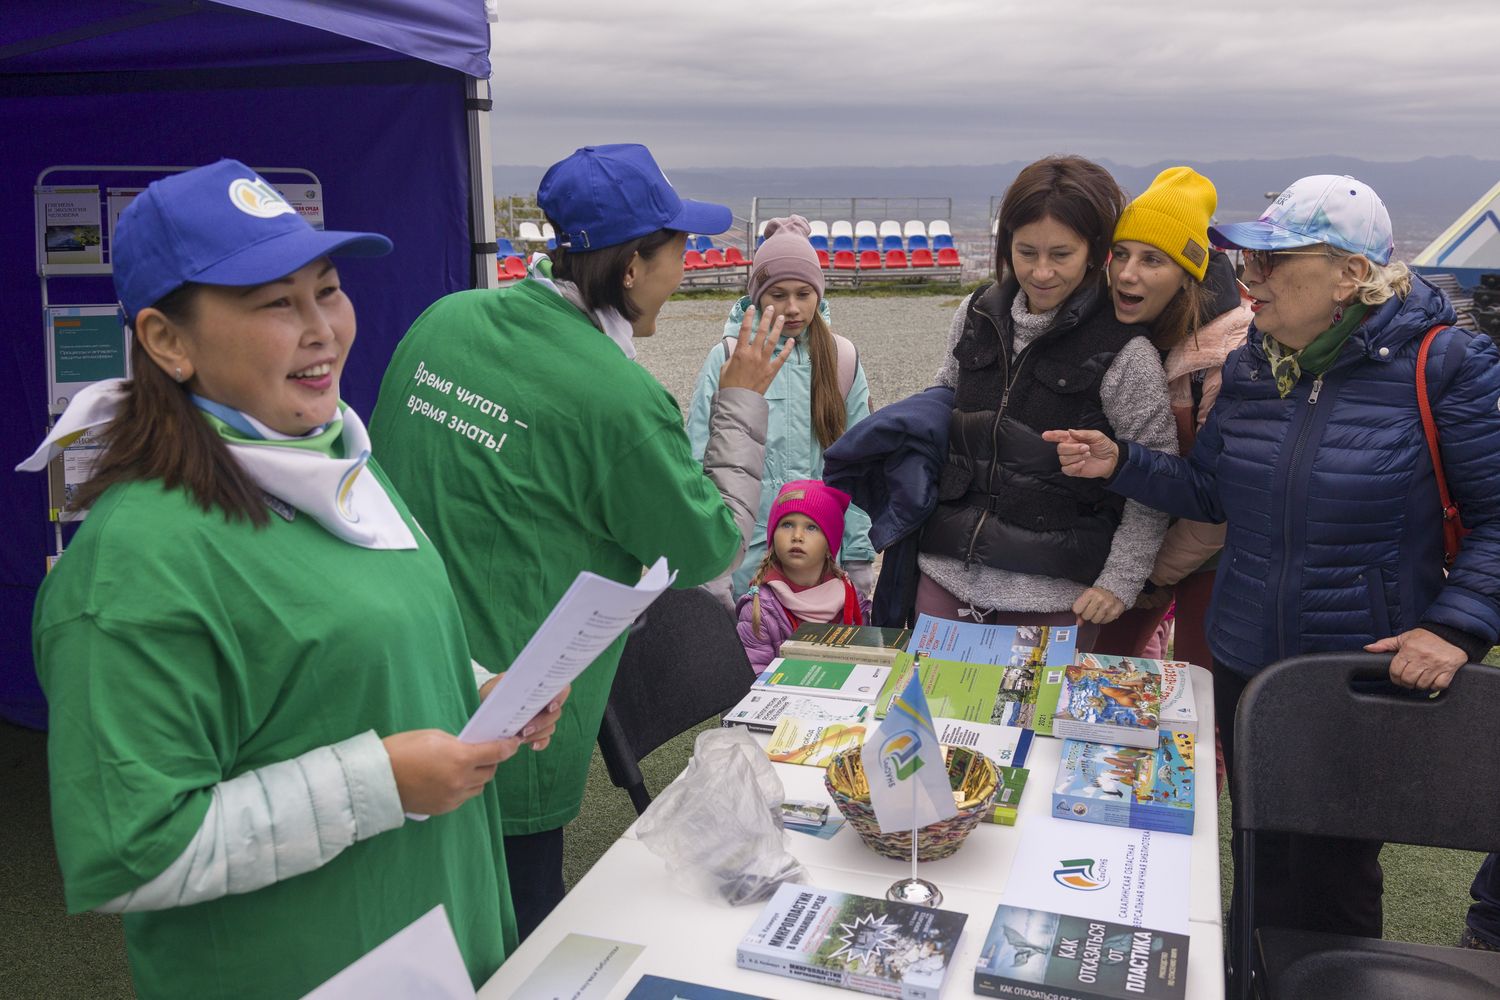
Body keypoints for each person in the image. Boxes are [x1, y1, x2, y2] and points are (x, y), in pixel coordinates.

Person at [20, 160, 566, 999]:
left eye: (330, 289)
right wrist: (378, 783)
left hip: (433, 938)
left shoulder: (335, 459)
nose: (325, 329)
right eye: (277, 303)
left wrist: (485, 689)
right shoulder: (136, 563)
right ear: (168, 341)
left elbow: (339, 656)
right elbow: (134, 853)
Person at [1045, 174, 1500, 946]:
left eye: (1272, 262)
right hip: (1246, 660)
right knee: (1255, 847)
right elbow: (1215, 492)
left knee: (1330, 877)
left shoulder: (1447, 365)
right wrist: (1119, 462)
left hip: (1353, 673)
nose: (1247, 279)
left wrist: (1455, 630)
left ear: (1351, 274)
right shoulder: (1257, 362)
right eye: (1247, 261)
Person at [367, 143, 789, 940]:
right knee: (517, 935)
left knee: (416, 922)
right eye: (678, 249)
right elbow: (713, 546)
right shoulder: (618, 398)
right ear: (633, 265)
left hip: (402, 684)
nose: (686, 265)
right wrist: (738, 398)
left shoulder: (447, 317)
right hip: (521, 718)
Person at [914, 155, 1176, 649]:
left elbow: (1153, 475)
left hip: (1055, 598)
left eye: (1061, 254)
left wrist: (1120, 579)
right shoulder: (976, 314)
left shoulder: (1125, 352)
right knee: (933, 720)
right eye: (1026, 251)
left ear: (1096, 252)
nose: (1041, 271)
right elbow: (939, 409)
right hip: (945, 576)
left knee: (1037, 729)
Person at [1093, 167, 1251, 675]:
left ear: (1190, 274)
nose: (1126, 274)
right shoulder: (1137, 328)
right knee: (1098, 665)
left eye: (1152, 260)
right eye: (1120, 254)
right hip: (1146, 545)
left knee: (1202, 692)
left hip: (1215, 555)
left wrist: (1146, 575)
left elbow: (1219, 506)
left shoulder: (1231, 358)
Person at [687, 215, 875, 605]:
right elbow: (698, 460)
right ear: (757, 296)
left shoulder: (842, 359)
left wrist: (858, 558)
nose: (792, 308)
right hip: (745, 561)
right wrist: (712, 569)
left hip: (822, 563)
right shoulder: (727, 358)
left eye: (804, 294)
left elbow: (862, 467)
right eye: (778, 294)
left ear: (819, 296)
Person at [737, 479, 873, 670]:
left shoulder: (852, 602)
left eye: (811, 527)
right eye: (787, 525)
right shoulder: (759, 610)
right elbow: (755, 675)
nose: (797, 535)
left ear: (830, 544)